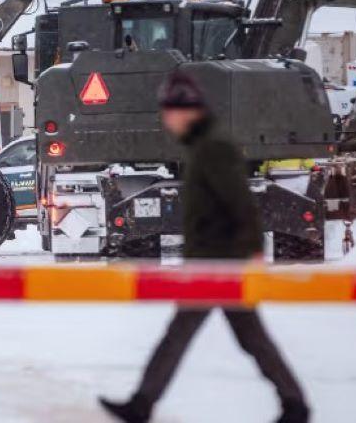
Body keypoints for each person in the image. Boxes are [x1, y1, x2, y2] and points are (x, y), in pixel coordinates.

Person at [99, 71, 309, 423]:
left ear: (185, 111)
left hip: (221, 262)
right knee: (245, 337)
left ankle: (142, 404)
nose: (166, 120)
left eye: (168, 112)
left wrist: (252, 253)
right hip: (212, 260)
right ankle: (294, 404)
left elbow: (240, 202)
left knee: (186, 335)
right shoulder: (203, 146)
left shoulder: (213, 148)